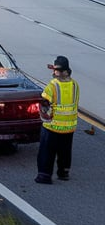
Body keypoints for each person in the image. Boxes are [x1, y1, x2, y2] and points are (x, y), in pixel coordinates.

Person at [36, 55, 80, 184]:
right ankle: (64, 172)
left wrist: (44, 115)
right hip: (69, 126)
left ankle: (44, 176)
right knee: (65, 152)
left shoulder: (53, 85)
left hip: (52, 125)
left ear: (58, 71)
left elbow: (44, 104)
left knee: (47, 152)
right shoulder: (75, 85)